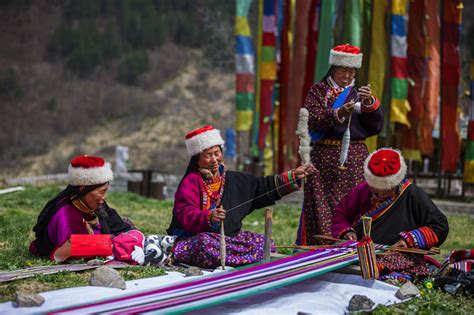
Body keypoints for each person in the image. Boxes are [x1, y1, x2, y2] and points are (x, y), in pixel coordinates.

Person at [165, 125, 315, 269]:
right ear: (197, 159)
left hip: (228, 239)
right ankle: (244, 257)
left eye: (216, 153)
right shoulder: (191, 181)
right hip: (194, 239)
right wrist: (209, 216)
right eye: (208, 155)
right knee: (205, 244)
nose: (214, 159)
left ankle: (243, 256)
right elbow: (185, 213)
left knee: (265, 243)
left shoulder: (233, 179)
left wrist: (293, 175)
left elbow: (262, 186)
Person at [296, 44, 383, 245]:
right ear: (334, 69)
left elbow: (374, 127)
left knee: (354, 202)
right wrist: (339, 113)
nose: (347, 75)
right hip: (324, 158)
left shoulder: (359, 94)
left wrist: (370, 104)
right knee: (321, 204)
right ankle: (322, 247)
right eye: (343, 70)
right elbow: (313, 119)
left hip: (354, 158)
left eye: (351, 71)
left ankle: (352, 245)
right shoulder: (318, 91)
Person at [331, 148, 449, 281]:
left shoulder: (413, 194)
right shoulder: (362, 190)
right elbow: (340, 214)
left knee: (397, 262)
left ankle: (374, 270)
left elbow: (440, 225)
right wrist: (346, 231)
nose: (379, 194)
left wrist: (409, 240)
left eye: (385, 190)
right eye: (375, 190)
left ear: (396, 183)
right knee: (334, 260)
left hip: (398, 254)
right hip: (360, 252)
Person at [29, 155, 144, 264]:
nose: (104, 197)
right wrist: (117, 245)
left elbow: (123, 229)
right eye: (102, 192)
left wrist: (135, 238)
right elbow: (72, 248)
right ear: (83, 189)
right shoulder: (67, 214)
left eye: (106, 191)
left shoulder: (97, 205)